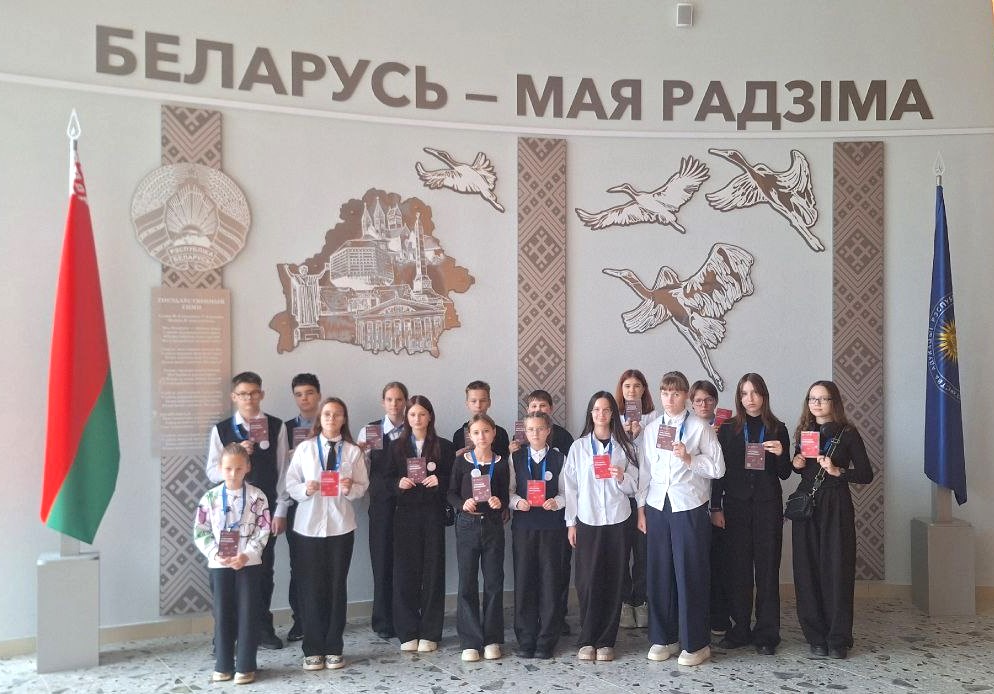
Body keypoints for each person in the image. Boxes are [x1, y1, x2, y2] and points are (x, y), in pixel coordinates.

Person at [637, 371, 724, 667]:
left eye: (675, 393)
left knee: (690, 572)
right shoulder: (652, 429)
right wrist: (641, 508)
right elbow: (645, 471)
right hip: (657, 506)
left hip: (688, 505)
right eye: (665, 393)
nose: (669, 399)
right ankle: (664, 637)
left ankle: (696, 642)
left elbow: (718, 468)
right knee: (659, 572)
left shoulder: (700, 427)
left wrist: (690, 459)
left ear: (686, 395)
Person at [790, 380, 874, 660]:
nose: (816, 403)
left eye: (823, 398)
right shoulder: (804, 431)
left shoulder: (848, 433)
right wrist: (796, 464)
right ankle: (815, 636)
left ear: (834, 402)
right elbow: (801, 469)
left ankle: (838, 638)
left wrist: (838, 471)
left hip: (836, 504)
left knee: (837, 568)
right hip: (807, 505)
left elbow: (866, 474)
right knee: (807, 569)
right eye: (812, 398)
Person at [206, 371, 288, 650]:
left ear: (261, 394)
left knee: (263, 570)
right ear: (234, 397)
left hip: (263, 513)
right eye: (243, 394)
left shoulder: (275, 426)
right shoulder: (221, 430)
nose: (249, 398)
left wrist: (281, 510)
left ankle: (262, 628)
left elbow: (283, 471)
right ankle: (225, 635)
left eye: (254, 393)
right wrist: (235, 455)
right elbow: (211, 472)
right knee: (226, 571)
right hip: (228, 515)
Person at [285, 397, 368, 671]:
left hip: (340, 527)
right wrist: (305, 489)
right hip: (308, 528)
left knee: (336, 587)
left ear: (344, 419)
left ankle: (334, 647)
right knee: (310, 588)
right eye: (327, 414)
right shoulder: (306, 449)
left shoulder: (352, 452)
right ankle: (312, 648)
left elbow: (362, 487)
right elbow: (290, 483)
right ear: (320, 419)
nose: (332, 419)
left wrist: (349, 487)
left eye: (337, 414)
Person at [711, 373, 791, 655]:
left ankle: (767, 633)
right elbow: (718, 472)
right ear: (739, 398)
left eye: (755, 392)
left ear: (764, 395)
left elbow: (784, 473)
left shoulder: (777, 428)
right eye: (744, 393)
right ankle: (740, 629)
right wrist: (716, 506)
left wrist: (781, 454)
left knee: (767, 571)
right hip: (736, 507)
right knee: (738, 570)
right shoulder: (728, 428)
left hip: (768, 506)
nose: (750, 399)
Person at [563, 391, 638, 662]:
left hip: (618, 520)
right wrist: (571, 522)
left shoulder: (625, 446)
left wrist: (622, 477)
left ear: (613, 414)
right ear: (590, 413)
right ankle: (587, 639)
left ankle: (606, 641)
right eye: (596, 409)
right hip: (588, 520)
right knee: (587, 581)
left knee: (614, 580)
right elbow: (570, 488)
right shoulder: (579, 447)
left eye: (606, 410)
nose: (601, 414)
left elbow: (636, 486)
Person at [194, 443, 272, 685]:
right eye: (228, 469)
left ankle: (246, 665)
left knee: (248, 612)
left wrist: (247, 554)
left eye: (239, 468)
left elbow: (263, 529)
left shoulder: (258, 496)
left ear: (247, 467)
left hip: (248, 564)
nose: (233, 474)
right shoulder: (210, 498)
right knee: (222, 612)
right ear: (220, 468)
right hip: (220, 565)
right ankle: (223, 664)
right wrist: (215, 553)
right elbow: (201, 531)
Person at [389, 395, 454, 653]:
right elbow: (381, 480)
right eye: (413, 414)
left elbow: (456, 480)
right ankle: (407, 631)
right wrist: (397, 484)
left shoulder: (444, 446)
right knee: (405, 573)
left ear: (430, 417)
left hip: (433, 515)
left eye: (422, 414)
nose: (417, 419)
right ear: (407, 417)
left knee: (433, 572)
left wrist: (441, 481)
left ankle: (430, 632)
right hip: (404, 516)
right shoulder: (394, 447)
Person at [448, 414, 511, 661]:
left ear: (494, 433)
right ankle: (470, 641)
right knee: (467, 582)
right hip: (467, 525)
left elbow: (506, 495)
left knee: (494, 581)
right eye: (476, 432)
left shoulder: (501, 463)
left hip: (493, 526)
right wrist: (462, 504)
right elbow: (450, 493)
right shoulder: (461, 462)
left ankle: (492, 639)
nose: (481, 436)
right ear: (469, 436)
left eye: (486, 431)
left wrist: (499, 502)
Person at [509, 411, 567, 659]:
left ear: (548, 430)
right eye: (530, 429)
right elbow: (508, 491)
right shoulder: (515, 458)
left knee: (550, 583)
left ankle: (546, 640)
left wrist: (557, 502)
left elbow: (566, 493)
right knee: (524, 582)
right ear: (524, 432)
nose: (535, 433)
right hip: (524, 527)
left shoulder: (559, 458)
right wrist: (516, 502)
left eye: (540, 429)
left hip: (552, 527)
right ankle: (526, 639)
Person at [357, 381, 409, 640]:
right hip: (381, 505)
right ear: (383, 402)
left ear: (406, 402)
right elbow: (361, 471)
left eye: (399, 399)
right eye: (389, 399)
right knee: (381, 561)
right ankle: (382, 620)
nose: (394, 404)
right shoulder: (371, 431)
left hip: (409, 505)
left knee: (405, 563)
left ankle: (404, 618)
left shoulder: (413, 428)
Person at [524, 389, 575, 635]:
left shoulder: (564, 437)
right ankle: (534, 618)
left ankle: (558, 617)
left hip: (556, 516)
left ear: (551, 409)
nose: (538, 410)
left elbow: (570, 479)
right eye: (534, 406)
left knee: (558, 568)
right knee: (532, 571)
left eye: (542, 406)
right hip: (529, 517)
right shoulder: (520, 438)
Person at [689, 379, 731, 638]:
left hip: (717, 506)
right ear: (691, 403)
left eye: (708, 400)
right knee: (694, 564)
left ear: (715, 402)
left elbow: (723, 474)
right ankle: (696, 618)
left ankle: (719, 616)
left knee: (719, 563)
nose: (703, 404)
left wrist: (716, 507)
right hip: (690, 505)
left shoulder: (727, 429)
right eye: (698, 400)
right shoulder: (685, 429)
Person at [615, 369, 656, 629]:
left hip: (647, 497)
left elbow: (654, 458)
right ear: (621, 389)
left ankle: (641, 601)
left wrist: (640, 434)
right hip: (619, 497)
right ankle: (624, 602)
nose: (632, 390)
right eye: (627, 386)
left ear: (644, 390)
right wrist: (623, 433)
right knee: (621, 553)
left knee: (643, 553)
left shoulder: (654, 418)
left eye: (637, 385)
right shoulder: (612, 418)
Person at [283, 373, 322, 643]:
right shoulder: (285, 429)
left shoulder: (330, 423)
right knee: (299, 565)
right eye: (299, 394)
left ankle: (325, 618)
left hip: (327, 503)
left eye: (309, 393)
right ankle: (300, 620)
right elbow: (280, 471)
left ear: (318, 395)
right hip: (297, 504)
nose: (304, 398)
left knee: (325, 566)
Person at [452, 380, 511, 459]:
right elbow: (455, 464)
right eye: (473, 401)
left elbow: (505, 462)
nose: (478, 405)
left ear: (489, 403)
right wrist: (454, 457)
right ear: (467, 404)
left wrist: (511, 452)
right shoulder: (459, 435)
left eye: (482, 401)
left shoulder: (501, 433)